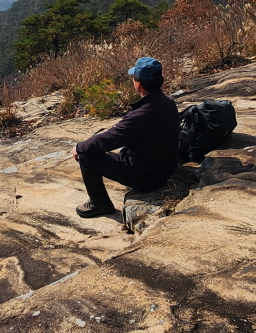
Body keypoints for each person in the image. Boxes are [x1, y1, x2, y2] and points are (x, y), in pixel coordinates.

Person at [70, 57, 181, 218]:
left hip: (146, 178)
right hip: (167, 168)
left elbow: (108, 139)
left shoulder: (140, 116)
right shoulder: (169, 102)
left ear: (138, 83)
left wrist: (79, 147)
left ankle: (99, 204)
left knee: (86, 157)